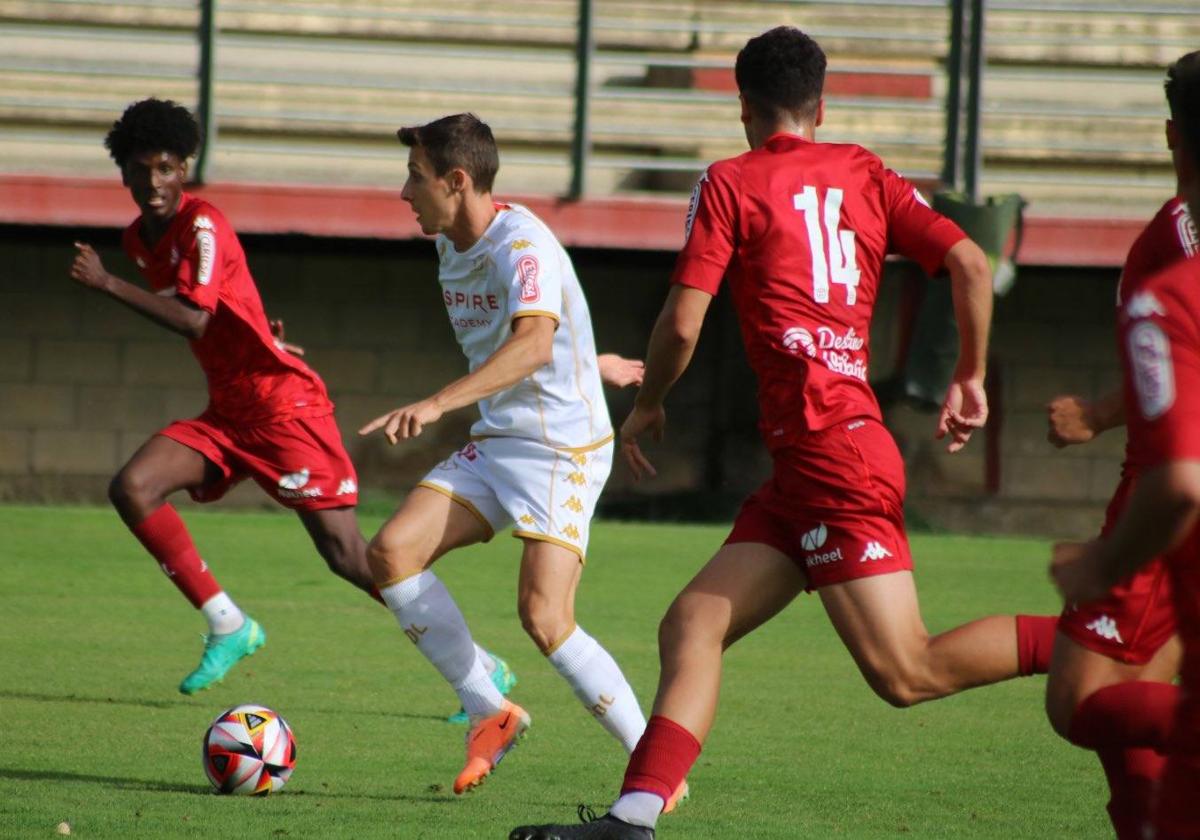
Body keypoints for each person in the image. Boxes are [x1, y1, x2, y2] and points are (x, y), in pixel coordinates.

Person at [509, 26, 1057, 839]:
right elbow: (974, 263)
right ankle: (633, 819)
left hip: (833, 455)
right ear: (820, 105)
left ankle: (1105, 635)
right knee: (693, 622)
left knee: (907, 672)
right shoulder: (865, 171)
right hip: (813, 462)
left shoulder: (730, 183)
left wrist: (651, 399)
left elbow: (683, 323)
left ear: (743, 107)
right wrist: (968, 377)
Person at [66, 98, 527, 705]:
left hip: (285, 410)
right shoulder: (139, 237)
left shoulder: (202, 224)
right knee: (134, 487)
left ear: (185, 168)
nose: (153, 182)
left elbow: (196, 319)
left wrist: (107, 282)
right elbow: (227, 304)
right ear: (121, 170)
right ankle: (229, 623)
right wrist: (260, 330)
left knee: (350, 557)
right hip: (231, 410)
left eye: (167, 167)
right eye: (140, 169)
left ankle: (482, 667)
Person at [358, 113, 685, 804]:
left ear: (457, 180)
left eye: (414, 177)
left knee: (544, 618)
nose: (403, 192)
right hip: (501, 438)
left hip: (563, 451)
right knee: (389, 553)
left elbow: (534, 344)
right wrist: (591, 360)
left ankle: (657, 769)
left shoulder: (522, 244)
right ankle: (488, 710)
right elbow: (521, 345)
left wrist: (440, 403)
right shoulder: (450, 244)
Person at [1043, 52, 1199, 839]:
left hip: (1167, 500)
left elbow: (1181, 474)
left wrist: (1105, 563)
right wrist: (1103, 414)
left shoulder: (1169, 252)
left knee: (1078, 698)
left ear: (1172, 133)